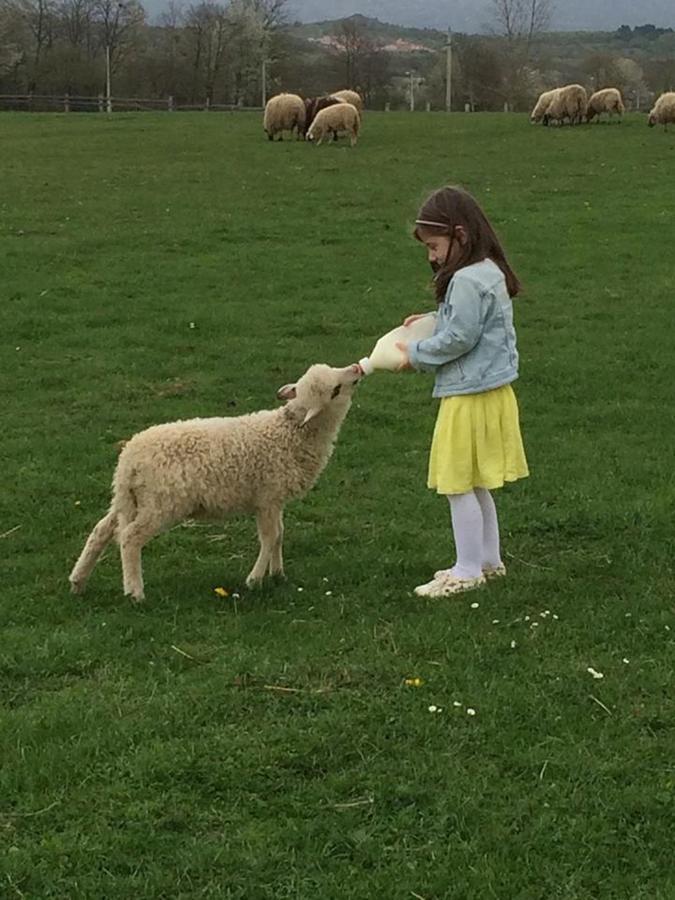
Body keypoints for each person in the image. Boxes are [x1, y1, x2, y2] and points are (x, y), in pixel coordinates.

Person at [396, 186, 529, 598]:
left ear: (460, 235)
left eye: (435, 246)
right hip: (492, 392)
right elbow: (467, 322)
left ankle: (467, 569)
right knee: (476, 482)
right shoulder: (488, 271)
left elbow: (459, 338)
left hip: (468, 395)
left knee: (457, 483)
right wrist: (435, 317)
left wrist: (414, 353)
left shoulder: (467, 280)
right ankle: (489, 561)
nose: (432, 256)